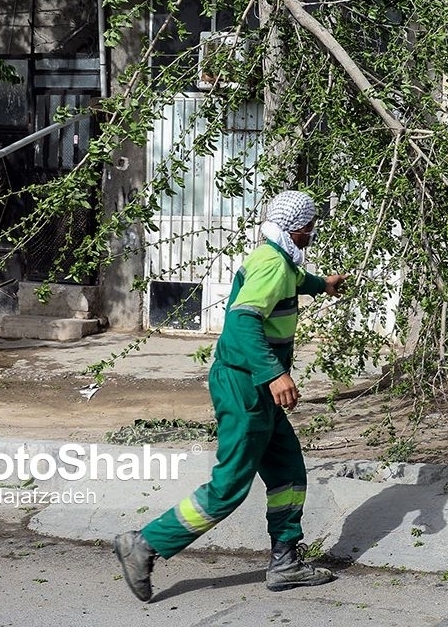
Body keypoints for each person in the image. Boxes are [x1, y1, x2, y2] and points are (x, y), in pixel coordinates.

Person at [113, 190, 347, 601]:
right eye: (310, 227)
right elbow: (242, 323)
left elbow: (294, 281)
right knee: (229, 485)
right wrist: (275, 374)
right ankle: (146, 544)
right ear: (298, 227)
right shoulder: (273, 265)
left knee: (288, 471)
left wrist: (322, 284)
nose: (312, 234)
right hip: (246, 386)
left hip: (253, 385)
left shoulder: (277, 257)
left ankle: (286, 561)